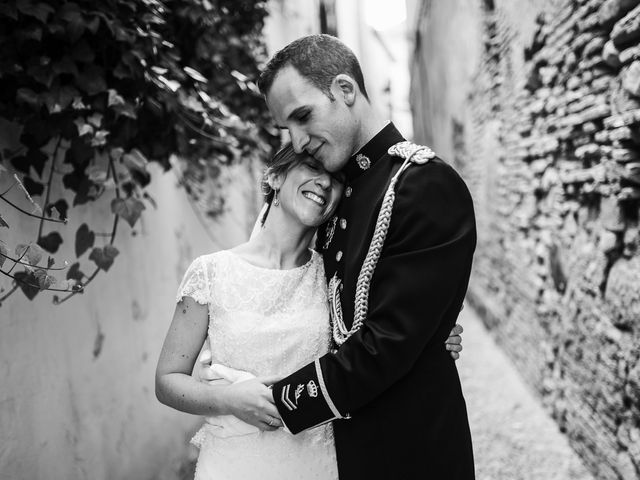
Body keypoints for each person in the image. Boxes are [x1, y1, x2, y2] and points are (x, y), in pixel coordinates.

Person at [156, 144, 465, 478]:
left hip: (318, 463)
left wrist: (431, 334)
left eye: (335, 180)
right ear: (274, 176)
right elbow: (167, 381)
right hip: (233, 463)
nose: (324, 183)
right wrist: (229, 400)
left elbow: (385, 338)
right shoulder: (211, 272)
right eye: (312, 168)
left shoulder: (337, 279)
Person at [254, 34, 477, 479]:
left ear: (345, 90)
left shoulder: (422, 186)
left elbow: (385, 345)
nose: (296, 143)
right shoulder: (332, 193)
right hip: (340, 451)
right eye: (286, 129)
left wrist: (271, 403)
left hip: (412, 451)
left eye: (303, 116)